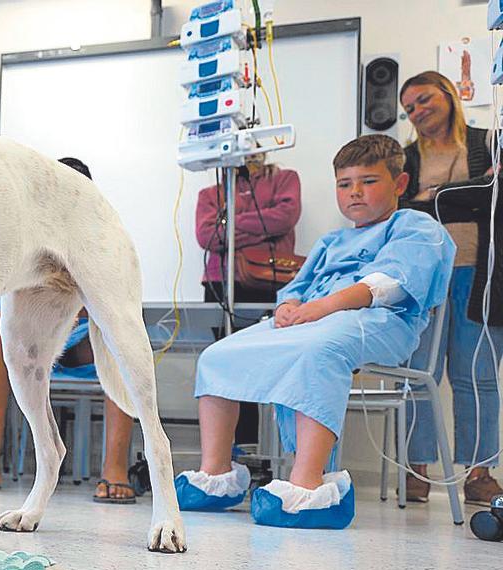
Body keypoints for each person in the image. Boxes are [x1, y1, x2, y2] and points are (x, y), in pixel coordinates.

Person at [176, 135, 455, 529]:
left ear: (400, 183)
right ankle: (216, 476)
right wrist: (289, 307)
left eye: (369, 181)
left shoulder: (415, 227)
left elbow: (392, 284)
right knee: (218, 356)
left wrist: (321, 307)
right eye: (345, 184)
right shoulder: (332, 241)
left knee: (318, 351)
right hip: (313, 319)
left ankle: (307, 485)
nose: (355, 192)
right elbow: (296, 288)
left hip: (382, 322)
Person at [0, 157, 138, 503]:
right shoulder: (29, 229)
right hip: (34, 333)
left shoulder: (100, 229)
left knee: (115, 334)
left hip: (85, 335)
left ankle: (115, 467)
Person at [398, 70, 503, 507]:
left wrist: (437, 195)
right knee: (418, 375)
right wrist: (463, 195)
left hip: (480, 275)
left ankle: (479, 474)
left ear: (449, 94)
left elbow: (494, 191)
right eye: (410, 108)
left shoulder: (486, 143)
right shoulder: (405, 159)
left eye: (424, 99)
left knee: (476, 376)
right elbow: (402, 208)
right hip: (427, 279)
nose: (419, 112)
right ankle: (416, 471)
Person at [195, 153, 302, 448]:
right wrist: (261, 224)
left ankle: (272, 452)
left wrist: (230, 221)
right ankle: (234, 451)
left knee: (266, 367)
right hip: (220, 285)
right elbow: (207, 235)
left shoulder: (284, 180)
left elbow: (285, 218)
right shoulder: (211, 192)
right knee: (227, 368)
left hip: (271, 281)